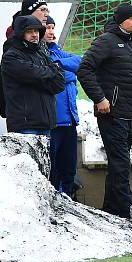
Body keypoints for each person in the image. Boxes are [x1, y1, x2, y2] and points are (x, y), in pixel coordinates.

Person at [76, 3, 132, 218]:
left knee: (119, 161)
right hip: (111, 114)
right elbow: (85, 70)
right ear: (120, 20)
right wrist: (100, 98)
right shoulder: (105, 41)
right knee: (120, 162)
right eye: (131, 18)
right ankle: (128, 210)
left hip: (129, 113)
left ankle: (111, 210)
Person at [0, 15, 65, 135]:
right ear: (21, 34)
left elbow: (59, 84)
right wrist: (50, 71)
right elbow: (34, 74)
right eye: (29, 31)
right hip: (25, 125)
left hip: (47, 123)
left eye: (36, 31)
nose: (34, 34)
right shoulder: (11, 56)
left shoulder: (41, 54)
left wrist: (45, 73)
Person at [45, 16, 83, 198]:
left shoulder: (59, 53)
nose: (51, 32)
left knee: (69, 168)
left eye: (53, 27)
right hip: (54, 121)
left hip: (69, 120)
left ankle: (68, 199)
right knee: (53, 168)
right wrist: (68, 73)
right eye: (47, 27)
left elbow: (81, 62)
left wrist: (60, 66)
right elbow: (53, 75)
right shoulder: (40, 54)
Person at [0, 0, 52, 119]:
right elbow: (30, 74)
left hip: (43, 112)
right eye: (42, 10)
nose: (46, 14)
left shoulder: (41, 40)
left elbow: (57, 75)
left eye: (48, 11)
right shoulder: (14, 41)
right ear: (30, 11)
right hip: (25, 114)